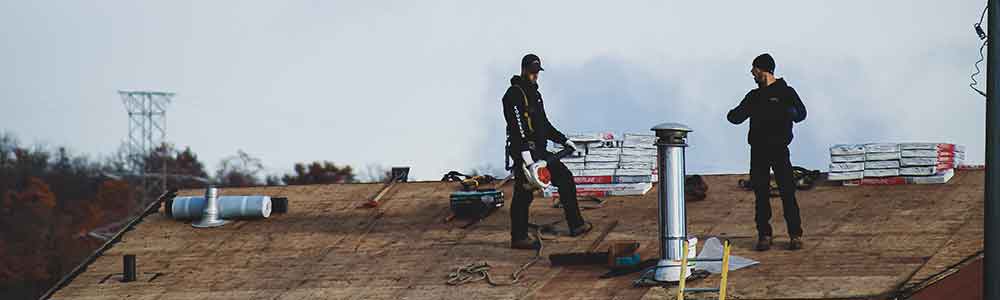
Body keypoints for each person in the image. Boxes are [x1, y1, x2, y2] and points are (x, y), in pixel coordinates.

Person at [502, 54, 592, 250]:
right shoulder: (513, 95)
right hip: (525, 154)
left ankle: (576, 225)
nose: (535, 76)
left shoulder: (535, 94)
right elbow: (518, 129)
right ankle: (518, 237)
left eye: (537, 73)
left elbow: (544, 125)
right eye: (532, 72)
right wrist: (527, 159)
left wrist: (563, 139)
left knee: (565, 179)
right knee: (523, 194)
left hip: (540, 152)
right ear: (524, 70)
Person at [727, 53, 807, 251]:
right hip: (758, 151)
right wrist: (736, 113)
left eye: (754, 69)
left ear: (762, 69)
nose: (752, 73)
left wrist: (787, 113)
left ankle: (795, 235)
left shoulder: (786, 92)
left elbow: (801, 114)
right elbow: (735, 117)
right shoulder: (754, 96)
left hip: (779, 149)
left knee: (787, 192)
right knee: (761, 193)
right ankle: (764, 235)